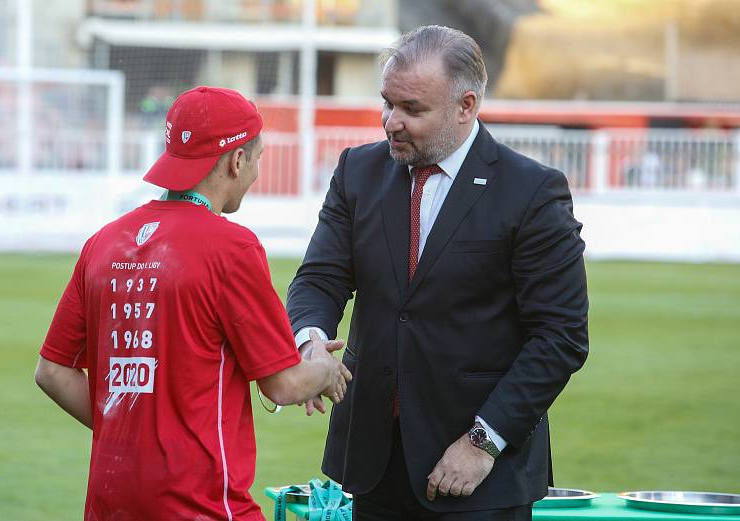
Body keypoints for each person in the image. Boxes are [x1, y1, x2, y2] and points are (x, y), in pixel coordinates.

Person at [287, 26, 589, 521]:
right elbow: (320, 277)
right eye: (387, 103)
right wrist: (311, 339)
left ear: (465, 106)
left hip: (480, 476)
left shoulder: (531, 191)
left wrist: (482, 443)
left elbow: (561, 335)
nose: (391, 122)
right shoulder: (356, 172)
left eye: (412, 109)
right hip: (373, 464)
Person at [35, 86, 352, 521]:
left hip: (111, 503)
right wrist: (327, 369)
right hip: (203, 506)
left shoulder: (103, 243)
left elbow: (52, 371)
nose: (256, 174)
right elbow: (284, 384)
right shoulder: (232, 248)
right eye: (257, 159)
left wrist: (128, 432)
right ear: (236, 161)